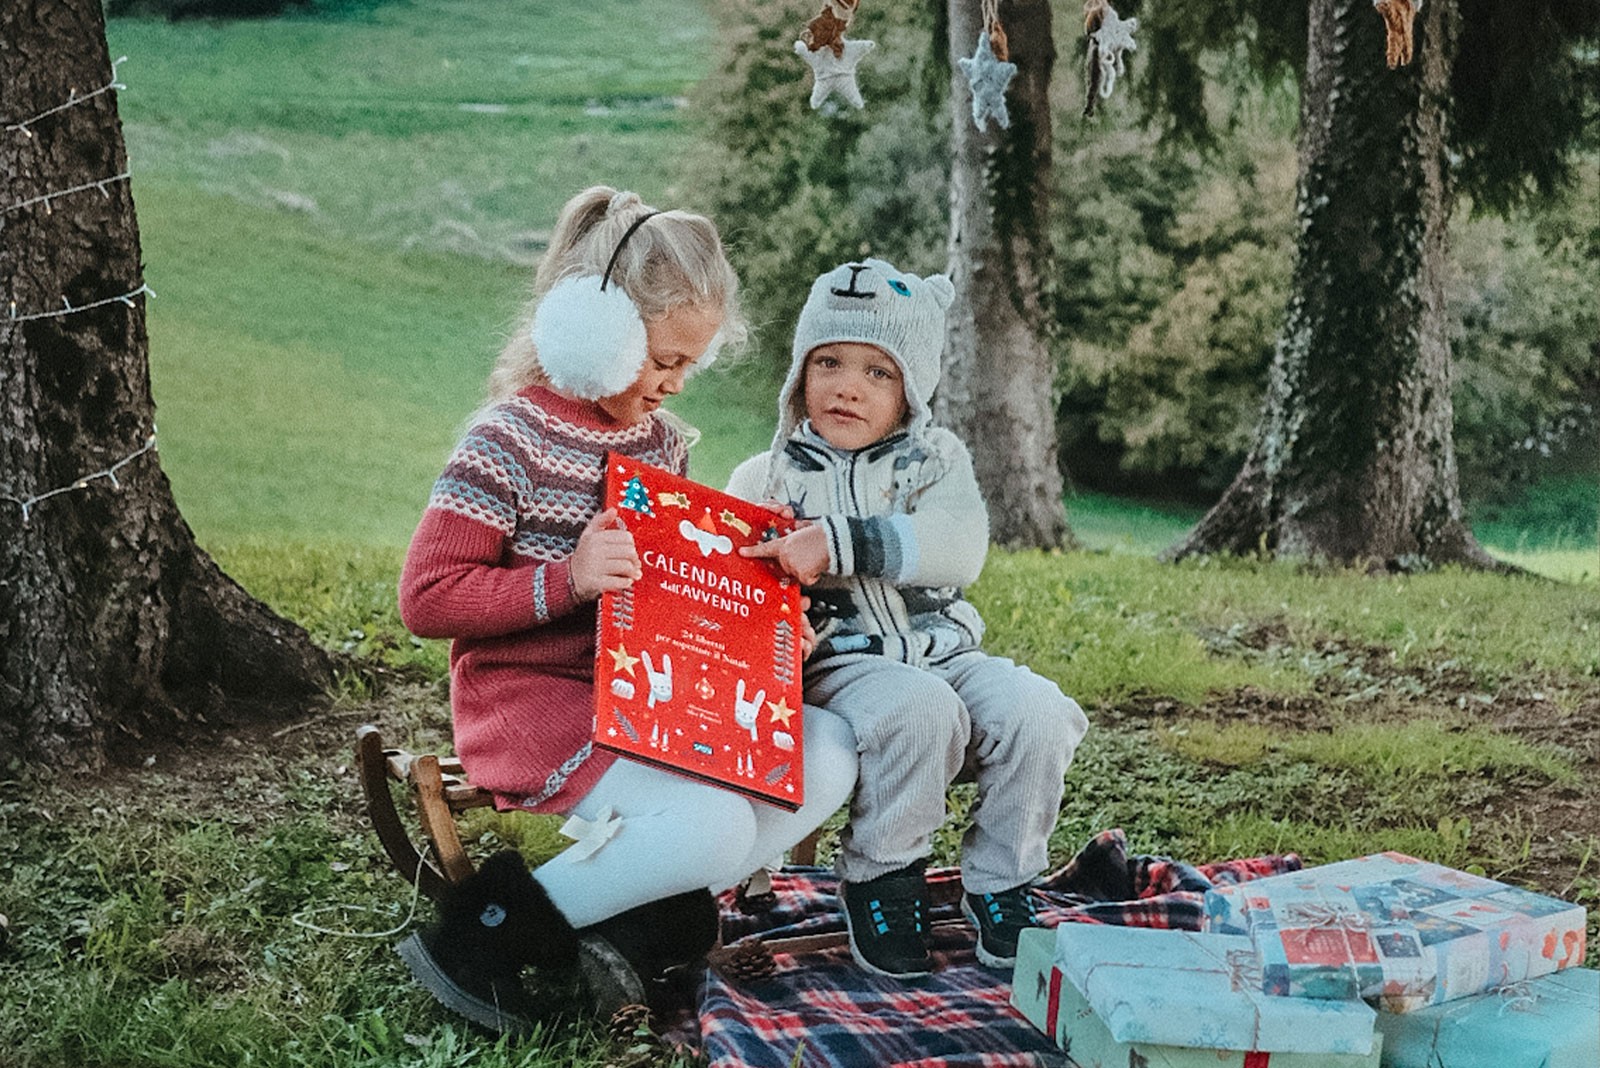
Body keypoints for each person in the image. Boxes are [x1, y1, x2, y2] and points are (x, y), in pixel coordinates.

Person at [396, 187, 858, 1032]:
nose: (677, 385)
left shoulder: (661, 445)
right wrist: (565, 579)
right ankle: (483, 938)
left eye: (694, 365)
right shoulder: (511, 439)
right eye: (664, 360)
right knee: (715, 826)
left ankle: (637, 928)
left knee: (826, 750)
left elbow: (671, 589)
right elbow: (426, 598)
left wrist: (757, 621)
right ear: (597, 332)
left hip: (646, 691)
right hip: (534, 702)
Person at [727, 258, 1090, 979]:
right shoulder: (764, 477)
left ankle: (1004, 882)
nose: (848, 385)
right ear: (799, 371)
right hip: (842, 662)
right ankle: (883, 878)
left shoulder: (935, 461)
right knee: (920, 712)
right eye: (827, 361)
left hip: (944, 651)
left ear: (912, 390)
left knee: (1039, 713)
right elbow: (731, 584)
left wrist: (836, 541)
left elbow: (960, 549)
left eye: (878, 372)